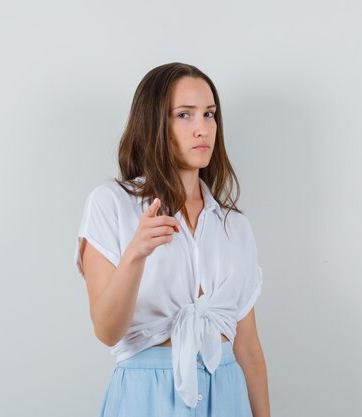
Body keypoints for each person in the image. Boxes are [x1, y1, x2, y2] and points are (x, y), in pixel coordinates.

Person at [73, 62, 270, 417]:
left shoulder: (235, 226)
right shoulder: (111, 204)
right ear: (153, 124)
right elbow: (107, 330)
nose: (202, 129)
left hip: (227, 393)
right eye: (184, 115)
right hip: (147, 395)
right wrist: (136, 253)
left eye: (209, 114)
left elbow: (249, 348)